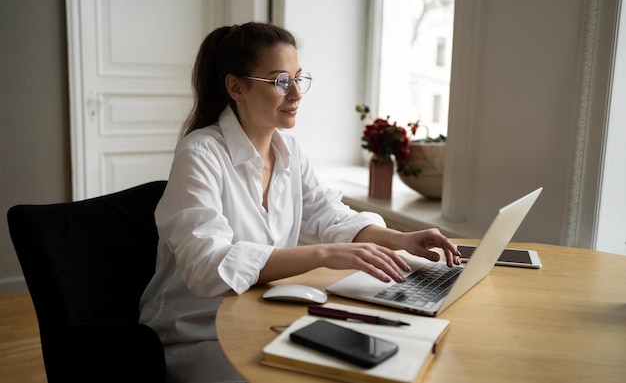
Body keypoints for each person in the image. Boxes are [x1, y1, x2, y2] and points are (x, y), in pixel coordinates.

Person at [139, 22, 461, 383]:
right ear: (236, 87)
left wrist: (401, 240)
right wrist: (324, 254)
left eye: (298, 78)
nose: (296, 94)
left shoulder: (287, 149)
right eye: (280, 81)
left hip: (259, 317)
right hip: (196, 333)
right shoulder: (200, 154)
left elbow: (328, 212)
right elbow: (208, 267)